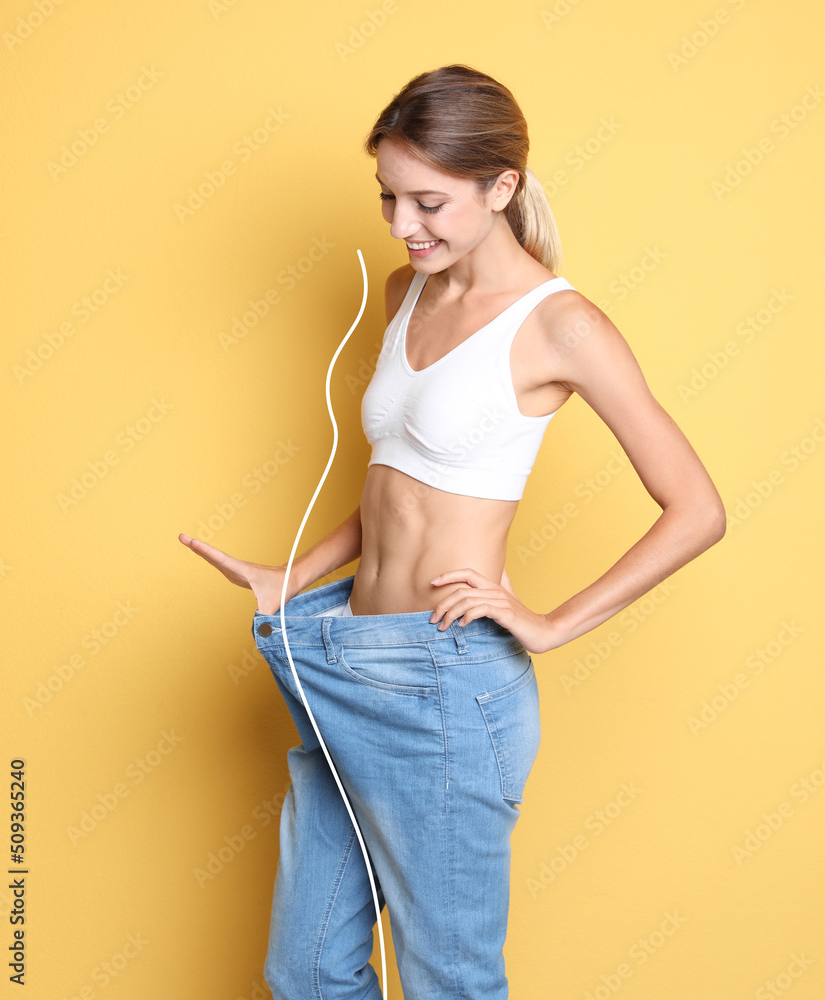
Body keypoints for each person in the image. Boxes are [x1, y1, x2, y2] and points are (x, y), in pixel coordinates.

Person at [178, 64, 726, 999]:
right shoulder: (405, 293)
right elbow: (400, 483)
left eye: (427, 201)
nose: (400, 225)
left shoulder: (562, 327)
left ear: (502, 186)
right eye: (388, 197)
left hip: (441, 684)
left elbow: (697, 508)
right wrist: (292, 576)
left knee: (449, 983)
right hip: (338, 657)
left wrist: (550, 623)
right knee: (305, 972)